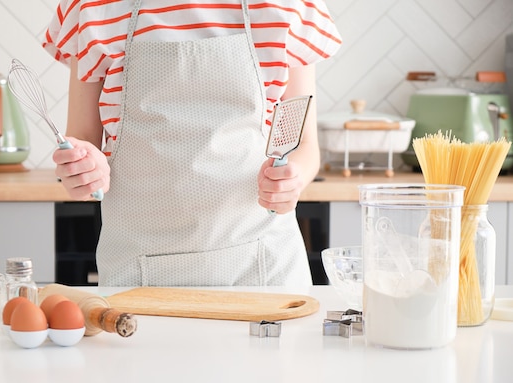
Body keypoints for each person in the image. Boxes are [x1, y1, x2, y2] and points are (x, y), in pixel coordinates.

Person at [43, 0, 341, 287]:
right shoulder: (91, 7)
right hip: (135, 274)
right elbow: (82, 138)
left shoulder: (289, 5)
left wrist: (293, 180)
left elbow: (303, 146)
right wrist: (81, 169)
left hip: (263, 268)